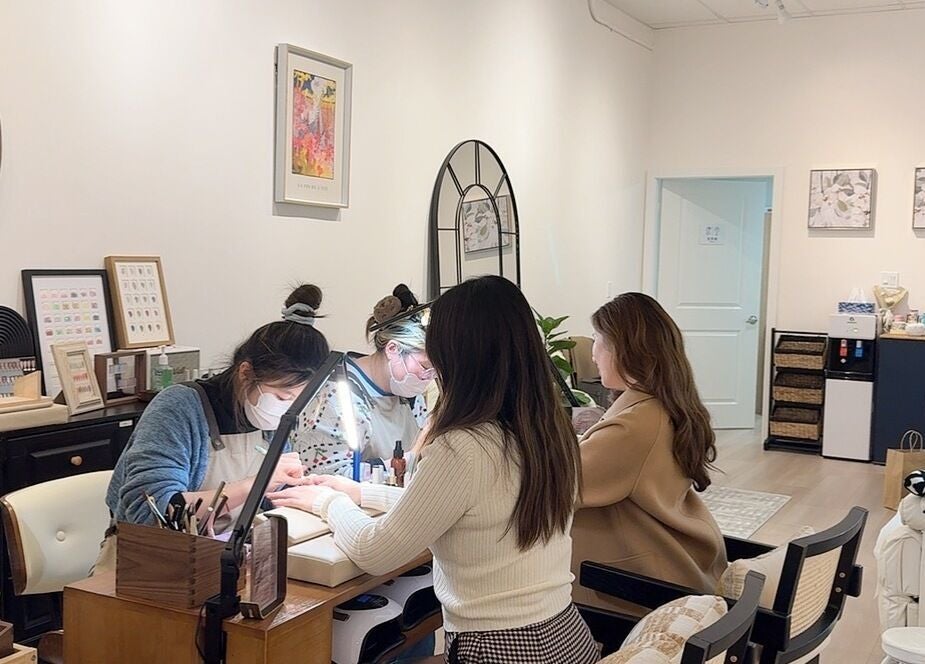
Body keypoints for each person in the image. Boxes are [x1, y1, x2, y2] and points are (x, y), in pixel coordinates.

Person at [268, 276, 600, 664]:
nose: (434, 372)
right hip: (566, 635)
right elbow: (474, 504)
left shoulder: (465, 445)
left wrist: (328, 502)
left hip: (502, 649)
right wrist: (361, 492)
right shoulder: (547, 430)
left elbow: (376, 553)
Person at [94, 285, 330, 572]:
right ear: (245, 373)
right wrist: (257, 483)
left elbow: (262, 508)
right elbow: (150, 514)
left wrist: (294, 492)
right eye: (282, 397)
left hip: (225, 560)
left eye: (298, 402)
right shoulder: (180, 408)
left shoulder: (272, 420)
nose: (286, 409)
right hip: (147, 567)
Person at [571, 292, 727, 614]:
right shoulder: (659, 406)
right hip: (677, 562)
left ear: (624, 350)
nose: (594, 353)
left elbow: (556, 487)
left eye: (597, 341)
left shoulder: (634, 427)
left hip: (637, 585)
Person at [292, 284, 431, 476]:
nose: (428, 376)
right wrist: (402, 463)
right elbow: (323, 475)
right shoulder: (335, 395)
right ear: (393, 349)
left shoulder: (410, 396)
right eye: (425, 366)